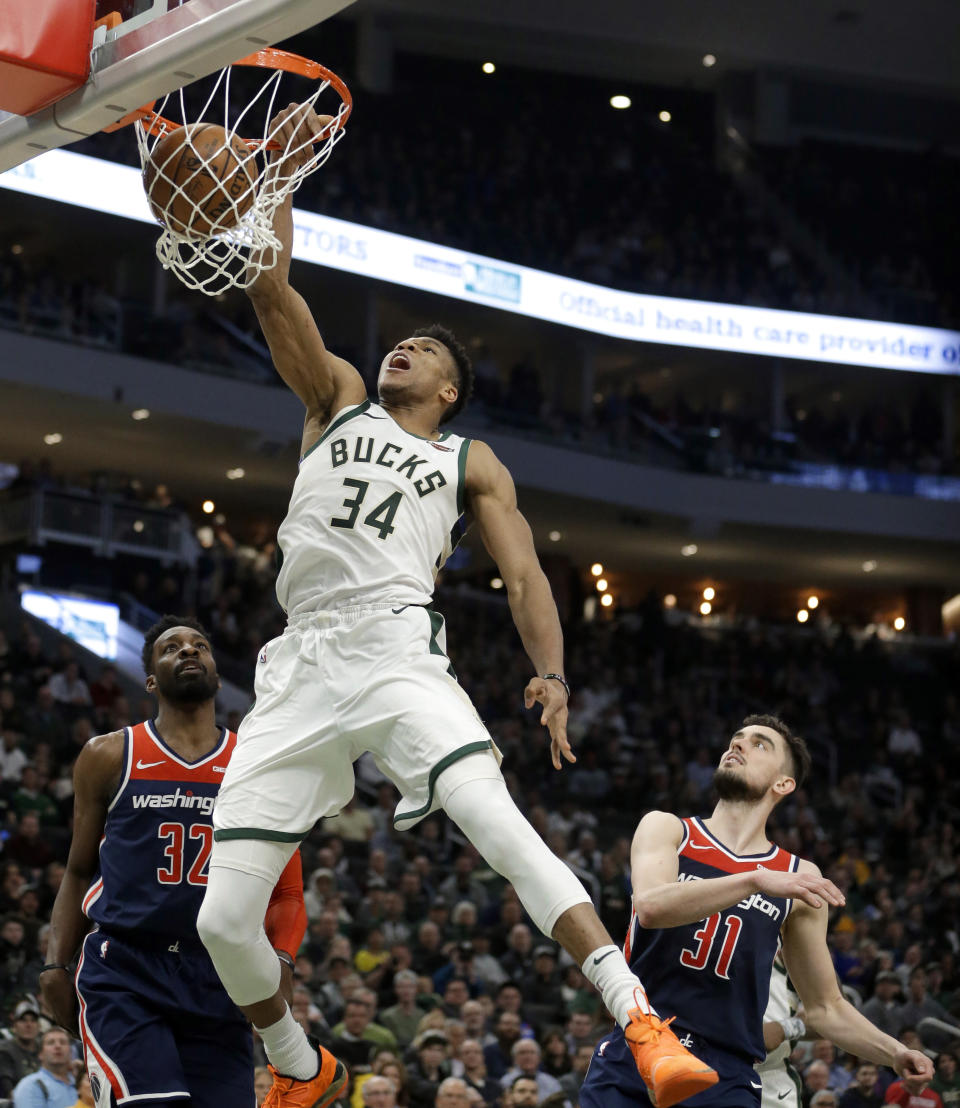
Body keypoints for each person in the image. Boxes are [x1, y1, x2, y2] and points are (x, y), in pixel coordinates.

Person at [195, 102, 717, 1108]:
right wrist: (279, 185)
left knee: (499, 822)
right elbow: (271, 289)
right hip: (299, 662)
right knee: (223, 921)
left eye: (424, 352)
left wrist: (552, 672)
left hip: (397, 655)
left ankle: (639, 1017)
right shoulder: (335, 400)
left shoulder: (468, 459)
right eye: (401, 344)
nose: (402, 352)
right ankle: (302, 1069)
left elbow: (525, 575)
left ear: (451, 390)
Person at [580, 714, 935, 1108]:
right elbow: (650, 907)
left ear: (783, 784)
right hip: (639, 1047)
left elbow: (825, 1007)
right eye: (736, 738)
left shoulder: (798, 877)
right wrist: (754, 879)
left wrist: (894, 1053)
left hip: (725, 1071)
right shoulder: (669, 829)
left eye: (759, 743)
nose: (738, 745)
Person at [39, 617, 309, 1108]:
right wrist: (55, 964)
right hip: (125, 970)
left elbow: (287, 890)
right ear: (150, 679)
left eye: (199, 646)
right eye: (172, 648)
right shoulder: (108, 755)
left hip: (220, 978)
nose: (188, 652)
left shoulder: (254, 763)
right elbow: (78, 871)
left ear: (216, 672)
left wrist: (283, 960)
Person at [756, 952, 805, 1108]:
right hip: (713, 1066)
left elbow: (830, 1014)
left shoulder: (799, 957)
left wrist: (786, 1028)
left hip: (771, 1077)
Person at [11, 1027, 74, 1108]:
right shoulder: (30, 1086)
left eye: (63, 1042)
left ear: (71, 1052)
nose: (58, 1046)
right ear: (40, 1054)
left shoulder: (82, 1084)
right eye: (51, 1043)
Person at [0, 999, 41, 1095]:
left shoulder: (44, 1049)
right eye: (23, 1020)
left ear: (39, 1026)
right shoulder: (5, 1051)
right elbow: (9, 1091)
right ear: (14, 1026)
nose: (28, 1025)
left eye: (33, 1020)